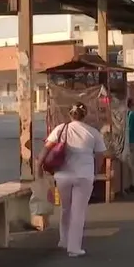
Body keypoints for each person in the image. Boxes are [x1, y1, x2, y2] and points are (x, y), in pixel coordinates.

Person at [37, 102, 106, 257]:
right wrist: (94, 172)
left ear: (70, 114)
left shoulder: (61, 128)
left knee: (65, 209)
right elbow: (100, 156)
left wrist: (38, 167)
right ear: (85, 115)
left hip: (63, 176)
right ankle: (74, 248)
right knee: (78, 212)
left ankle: (64, 240)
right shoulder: (93, 132)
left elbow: (46, 148)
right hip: (84, 175)